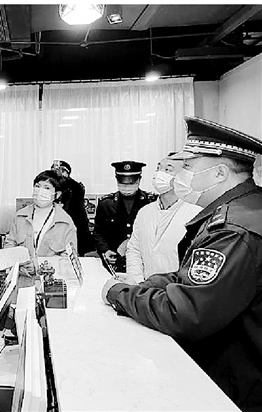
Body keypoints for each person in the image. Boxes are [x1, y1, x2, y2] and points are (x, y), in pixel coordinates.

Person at [102, 116, 262, 411]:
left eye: (188, 166)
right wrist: (147, 285)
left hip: (238, 384)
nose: (181, 176)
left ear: (219, 173)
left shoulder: (233, 230)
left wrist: (119, 294)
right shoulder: (242, 209)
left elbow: (184, 313)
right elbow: (190, 277)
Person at [125, 153, 202, 280]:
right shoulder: (145, 212)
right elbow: (134, 250)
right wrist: (137, 283)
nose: (159, 174)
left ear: (183, 177)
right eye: (158, 168)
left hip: (177, 288)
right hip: (144, 287)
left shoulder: (196, 214)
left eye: (168, 169)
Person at [4, 169, 77, 275]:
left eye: (47, 188)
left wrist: (40, 266)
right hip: (23, 276)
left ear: (57, 194)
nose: (40, 191)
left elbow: (69, 258)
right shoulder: (20, 216)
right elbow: (10, 245)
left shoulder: (65, 222)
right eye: (37, 186)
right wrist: (19, 267)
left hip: (51, 278)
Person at [93, 160, 158, 272]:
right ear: (117, 180)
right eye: (123, 183)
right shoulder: (106, 204)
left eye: (131, 183)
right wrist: (105, 250)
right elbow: (98, 233)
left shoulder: (150, 202)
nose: (127, 187)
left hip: (143, 261)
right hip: (115, 261)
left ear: (139, 180)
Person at [51, 160, 94, 256]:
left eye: (62, 171)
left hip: (76, 227)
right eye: (53, 170)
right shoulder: (50, 187)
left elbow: (71, 207)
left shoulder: (75, 187)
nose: (57, 173)